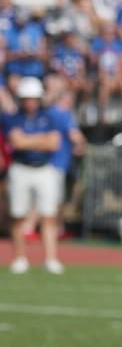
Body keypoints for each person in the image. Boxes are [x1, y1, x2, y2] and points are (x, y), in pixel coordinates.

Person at [2, 77, 63, 274]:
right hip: (21, 168)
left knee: (48, 216)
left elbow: (54, 143)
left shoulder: (49, 117)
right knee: (18, 215)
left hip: (44, 168)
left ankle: (50, 259)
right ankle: (20, 258)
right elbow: (17, 142)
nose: (30, 102)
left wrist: (28, 140)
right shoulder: (12, 118)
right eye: (27, 98)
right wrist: (39, 140)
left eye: (33, 98)